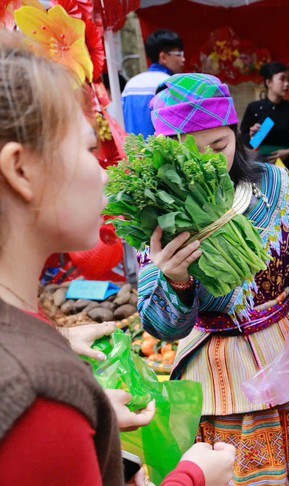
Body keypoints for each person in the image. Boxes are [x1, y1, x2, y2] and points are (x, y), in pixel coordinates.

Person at [0, 32, 234, 486]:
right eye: (90, 149)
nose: (105, 170)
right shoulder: (38, 394)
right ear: (21, 170)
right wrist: (193, 478)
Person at [141, 72, 289, 485]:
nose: (211, 161)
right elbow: (161, 326)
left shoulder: (269, 183)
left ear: (236, 134)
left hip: (288, 348)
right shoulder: (156, 214)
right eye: (192, 154)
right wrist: (175, 280)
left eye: (220, 146)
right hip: (219, 369)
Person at [239, 62, 289, 174]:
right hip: (260, 164)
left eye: (288, 80)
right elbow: (243, 137)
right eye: (282, 79)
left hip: (286, 165)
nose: (287, 84)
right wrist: (251, 138)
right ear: (269, 82)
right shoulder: (254, 108)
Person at [122, 29, 185, 137]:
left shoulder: (130, 84)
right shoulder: (170, 84)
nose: (183, 59)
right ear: (163, 57)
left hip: (132, 151)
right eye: (179, 54)